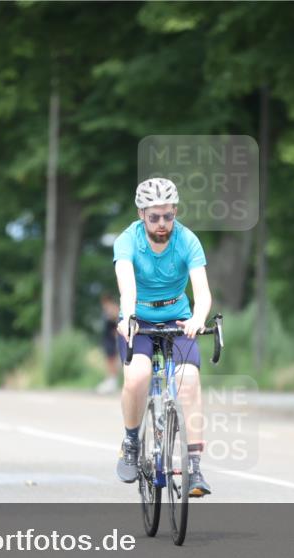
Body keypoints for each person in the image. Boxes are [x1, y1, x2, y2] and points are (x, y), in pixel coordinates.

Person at [113, 177, 214, 497]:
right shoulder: (127, 241)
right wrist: (128, 317)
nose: (161, 224)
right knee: (138, 376)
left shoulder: (187, 240)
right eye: (154, 216)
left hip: (177, 317)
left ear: (175, 212)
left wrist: (197, 319)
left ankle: (195, 467)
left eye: (168, 216)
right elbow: (127, 286)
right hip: (138, 318)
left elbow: (202, 291)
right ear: (141, 213)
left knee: (189, 380)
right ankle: (131, 441)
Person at [95, 293, 120, 394]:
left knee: (112, 360)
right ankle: (109, 379)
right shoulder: (106, 310)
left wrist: (112, 314)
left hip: (112, 339)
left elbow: (117, 319)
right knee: (108, 360)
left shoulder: (113, 308)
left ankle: (112, 381)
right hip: (106, 338)